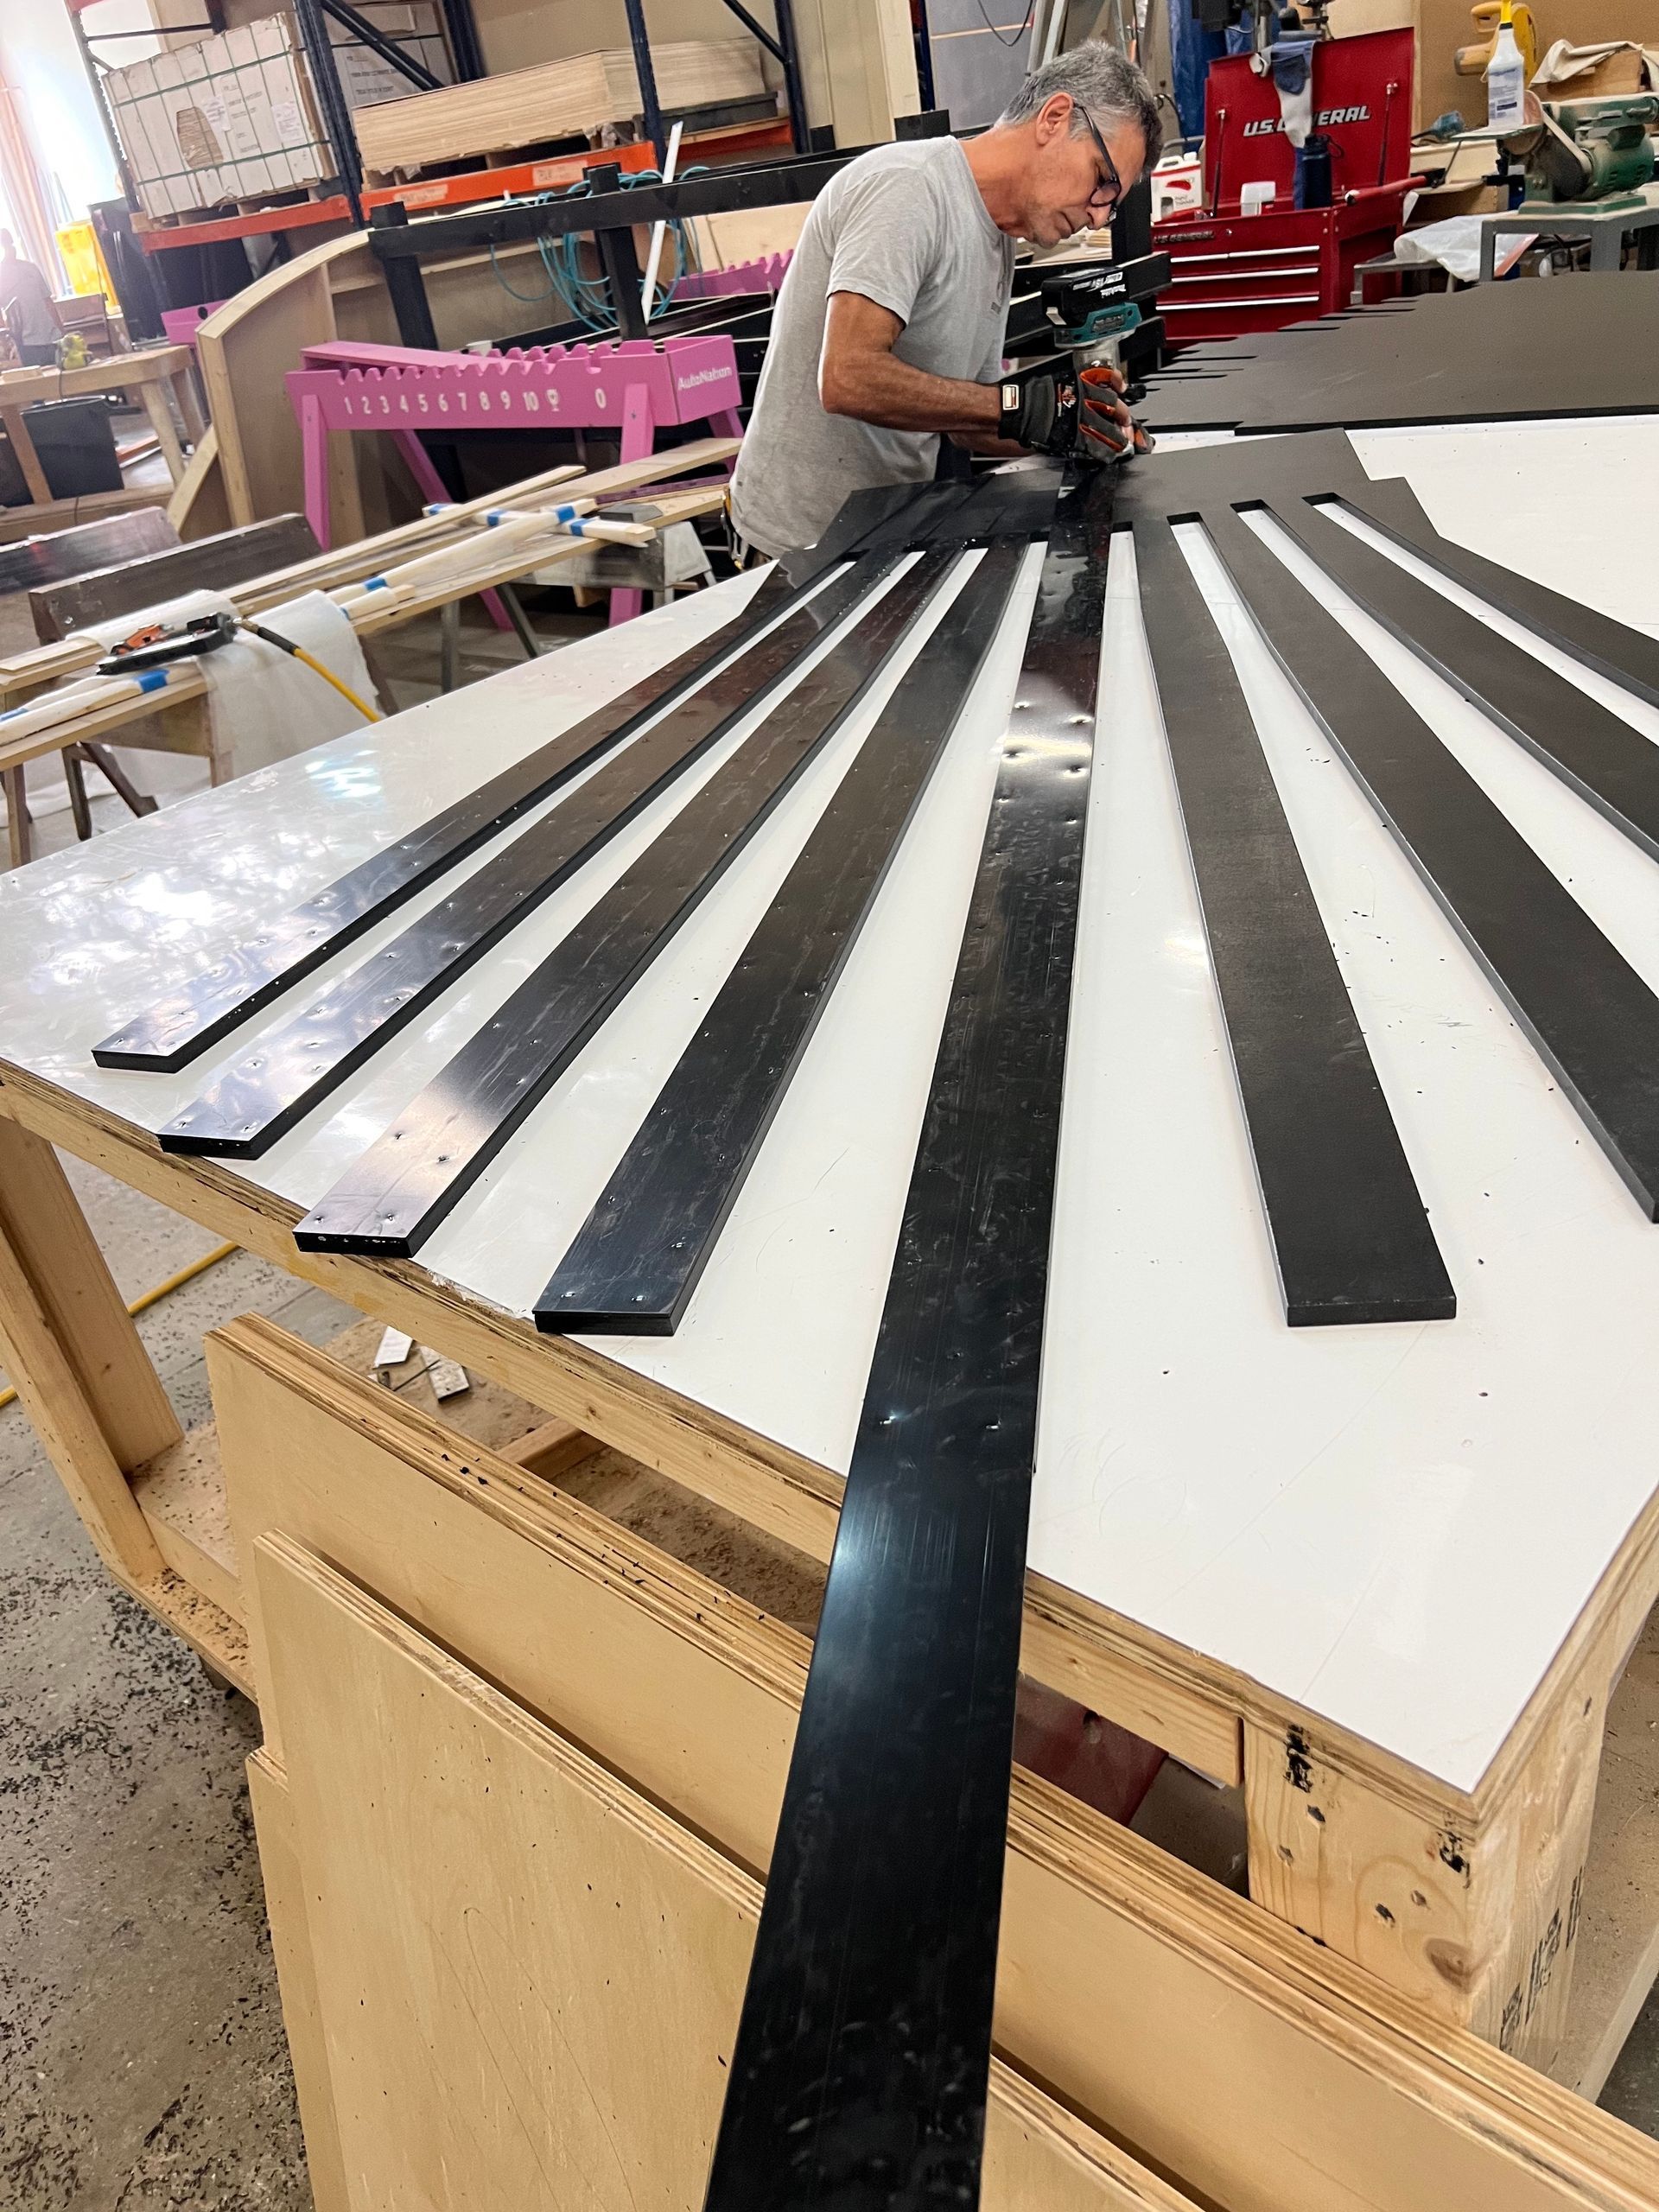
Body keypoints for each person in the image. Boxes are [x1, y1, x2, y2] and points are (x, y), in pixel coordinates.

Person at [729, 45, 1162, 559]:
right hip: (794, 548)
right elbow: (846, 377)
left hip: (879, 534)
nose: (1098, 217)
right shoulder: (909, 188)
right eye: (1103, 182)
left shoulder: (997, 241)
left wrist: (1072, 428)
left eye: (1111, 206)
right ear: (1054, 118)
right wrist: (1021, 406)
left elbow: (967, 423)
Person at [0, 232, 61, 367]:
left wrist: (62, 333)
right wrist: (7, 345)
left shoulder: (30, 268)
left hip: (53, 338)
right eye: (5, 244)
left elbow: (48, 302)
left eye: (11, 243)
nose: (10, 247)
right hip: (27, 344)